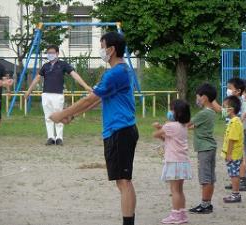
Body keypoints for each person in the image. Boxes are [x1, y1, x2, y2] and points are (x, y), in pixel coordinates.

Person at [49, 32, 139, 225]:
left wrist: (62, 114)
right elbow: (99, 98)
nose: (101, 50)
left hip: (120, 131)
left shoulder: (116, 73)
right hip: (121, 131)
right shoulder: (122, 71)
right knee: (124, 181)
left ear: (112, 49)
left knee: (123, 181)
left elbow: (90, 98)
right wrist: (72, 115)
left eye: (102, 46)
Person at [25, 45, 92, 146]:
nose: (50, 55)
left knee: (59, 116)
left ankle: (59, 138)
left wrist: (86, 86)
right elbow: (37, 78)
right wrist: (29, 91)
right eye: (48, 53)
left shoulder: (63, 64)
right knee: (48, 117)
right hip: (46, 94)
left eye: (52, 52)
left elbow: (74, 75)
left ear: (57, 53)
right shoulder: (45, 66)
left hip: (58, 95)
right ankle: (50, 137)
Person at [152, 100, 191, 224]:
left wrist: (159, 127)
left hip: (174, 162)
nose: (170, 112)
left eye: (172, 109)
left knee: (174, 190)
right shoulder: (183, 126)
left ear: (177, 113)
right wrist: (162, 128)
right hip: (183, 162)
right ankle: (182, 214)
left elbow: (156, 134)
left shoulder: (170, 126)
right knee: (180, 190)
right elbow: (167, 138)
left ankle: (175, 215)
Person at [213, 78, 246, 191]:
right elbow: (222, 111)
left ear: (238, 91)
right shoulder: (236, 101)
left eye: (230, 88)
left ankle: (242, 180)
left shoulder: (237, 103)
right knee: (238, 158)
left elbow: (221, 110)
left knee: (238, 158)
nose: (228, 90)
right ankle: (237, 180)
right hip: (234, 131)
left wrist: (211, 99)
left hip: (236, 133)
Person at [188, 83, 217, 214]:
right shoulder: (211, 113)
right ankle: (208, 203)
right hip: (210, 148)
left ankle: (205, 205)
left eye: (198, 97)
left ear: (204, 97)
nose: (197, 99)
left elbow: (188, 123)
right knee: (210, 178)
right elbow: (195, 126)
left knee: (205, 178)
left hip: (204, 149)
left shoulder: (203, 113)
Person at [221, 96, 244, 203]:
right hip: (235, 153)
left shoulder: (234, 122)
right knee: (233, 173)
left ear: (231, 109)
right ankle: (235, 193)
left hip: (233, 154)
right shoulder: (233, 121)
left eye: (224, 107)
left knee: (234, 174)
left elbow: (232, 139)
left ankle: (235, 194)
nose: (223, 109)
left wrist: (229, 154)